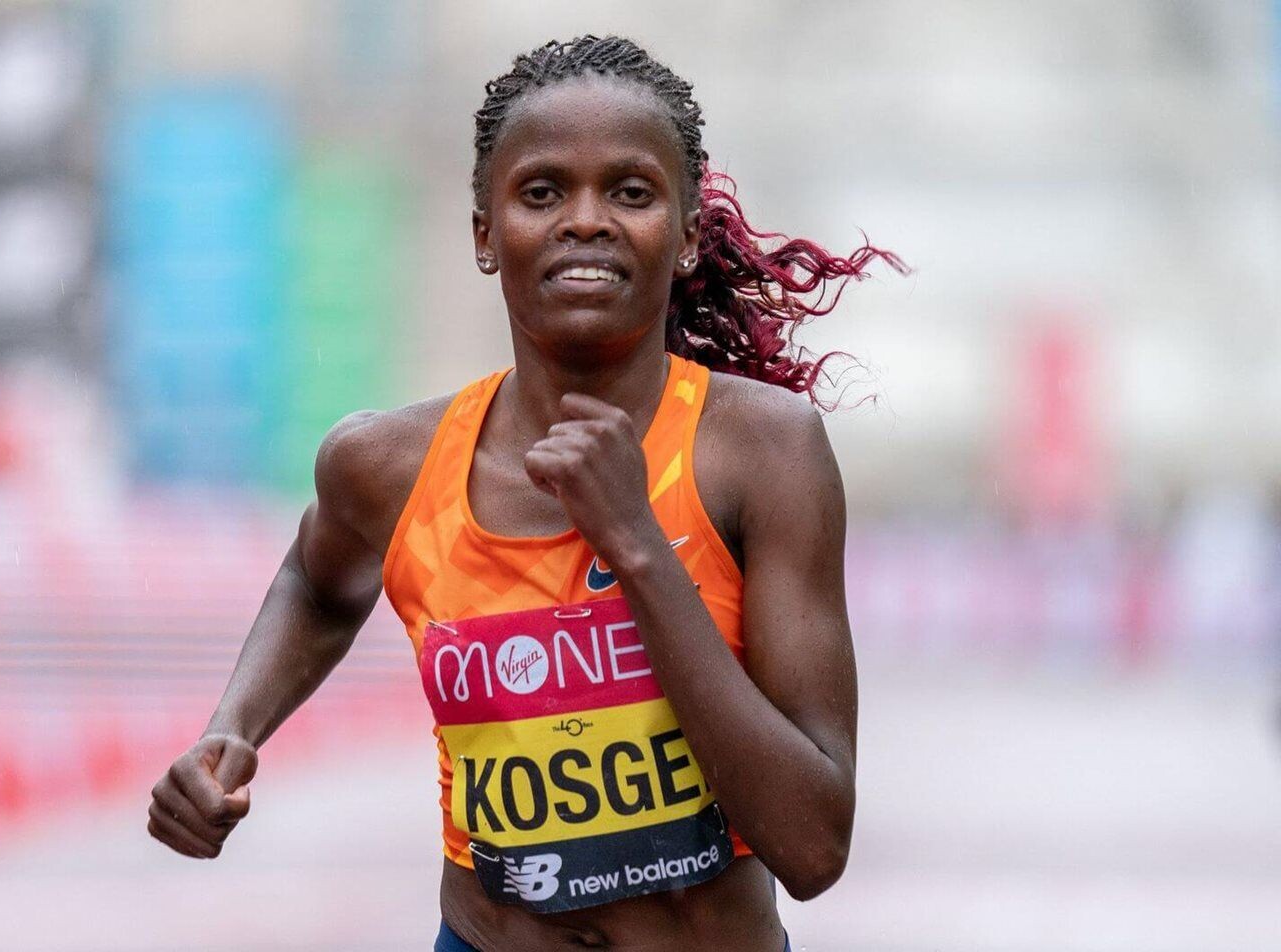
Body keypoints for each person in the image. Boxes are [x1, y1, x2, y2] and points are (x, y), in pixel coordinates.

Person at [147, 34, 904, 952]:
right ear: (484, 234)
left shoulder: (761, 453)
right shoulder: (388, 467)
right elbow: (317, 581)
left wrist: (636, 543)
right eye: (542, 192)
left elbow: (814, 846)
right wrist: (231, 730)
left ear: (687, 235)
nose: (585, 221)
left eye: (631, 192)